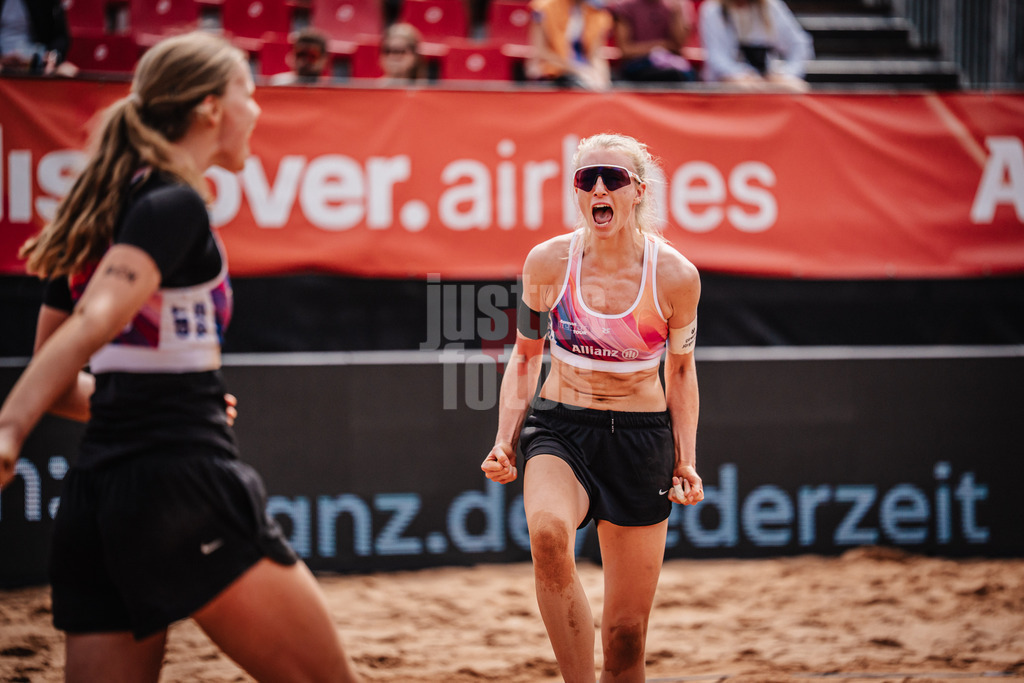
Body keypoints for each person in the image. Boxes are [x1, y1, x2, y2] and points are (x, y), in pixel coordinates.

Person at [0, 31, 362, 682]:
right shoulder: (174, 203)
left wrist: (167, 395)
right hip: (182, 486)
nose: (258, 109)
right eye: (247, 93)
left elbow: (62, 373)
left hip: (94, 502)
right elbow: (96, 319)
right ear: (208, 109)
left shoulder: (100, 212)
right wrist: (9, 427)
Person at [481, 133, 704, 682]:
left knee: (626, 639)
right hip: (562, 427)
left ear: (638, 192)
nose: (599, 187)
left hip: (640, 438)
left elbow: (679, 371)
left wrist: (685, 460)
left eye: (613, 178)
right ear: (577, 192)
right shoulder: (548, 263)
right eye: (586, 178)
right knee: (549, 536)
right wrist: (505, 440)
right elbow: (526, 355)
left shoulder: (675, 276)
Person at [698, 0, 813, 92]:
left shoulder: (771, 7)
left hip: (768, 79)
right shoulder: (713, 10)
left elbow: (800, 45)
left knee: (797, 88)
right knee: (741, 88)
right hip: (728, 80)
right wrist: (742, 74)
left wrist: (786, 73)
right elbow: (716, 57)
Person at [526, 0, 613, 91]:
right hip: (554, 70)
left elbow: (596, 55)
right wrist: (578, 70)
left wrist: (604, 81)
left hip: (585, 72)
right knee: (575, 82)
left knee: (615, 83)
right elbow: (541, 52)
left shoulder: (598, 12)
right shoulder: (543, 7)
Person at [610, 0, 697, 83]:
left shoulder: (675, 5)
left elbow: (678, 45)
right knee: (673, 75)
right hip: (637, 68)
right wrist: (659, 46)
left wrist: (677, 12)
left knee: (682, 74)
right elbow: (625, 51)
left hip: (672, 68)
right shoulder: (626, 6)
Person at [0, 0, 77, 76]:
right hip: (2, 63)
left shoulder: (45, 2)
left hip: (36, 63)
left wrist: (52, 58)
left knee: (67, 71)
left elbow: (61, 37)